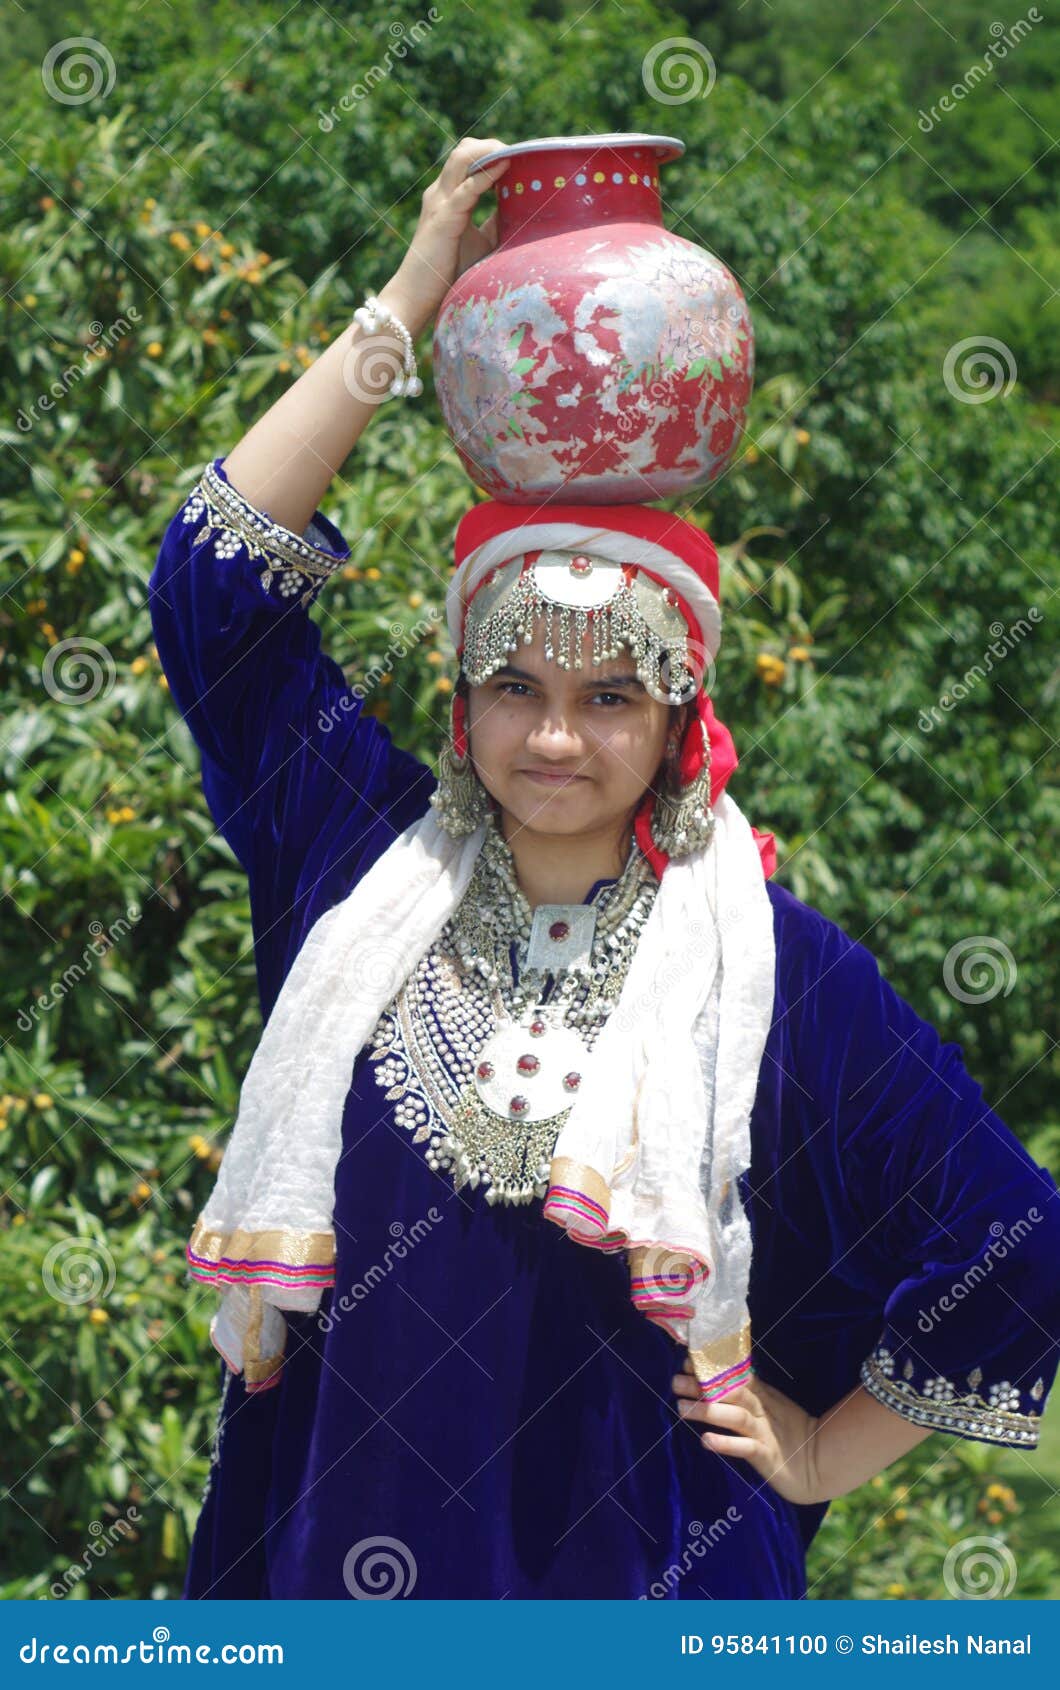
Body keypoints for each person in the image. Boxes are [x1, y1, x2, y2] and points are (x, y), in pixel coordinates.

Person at [149, 138, 1060, 1601]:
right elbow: (213, 589)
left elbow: (1015, 1241)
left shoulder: (778, 974)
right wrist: (415, 292)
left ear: (685, 711)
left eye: (613, 694)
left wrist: (826, 1449)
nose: (556, 735)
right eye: (513, 684)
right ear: (461, 696)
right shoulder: (353, 863)